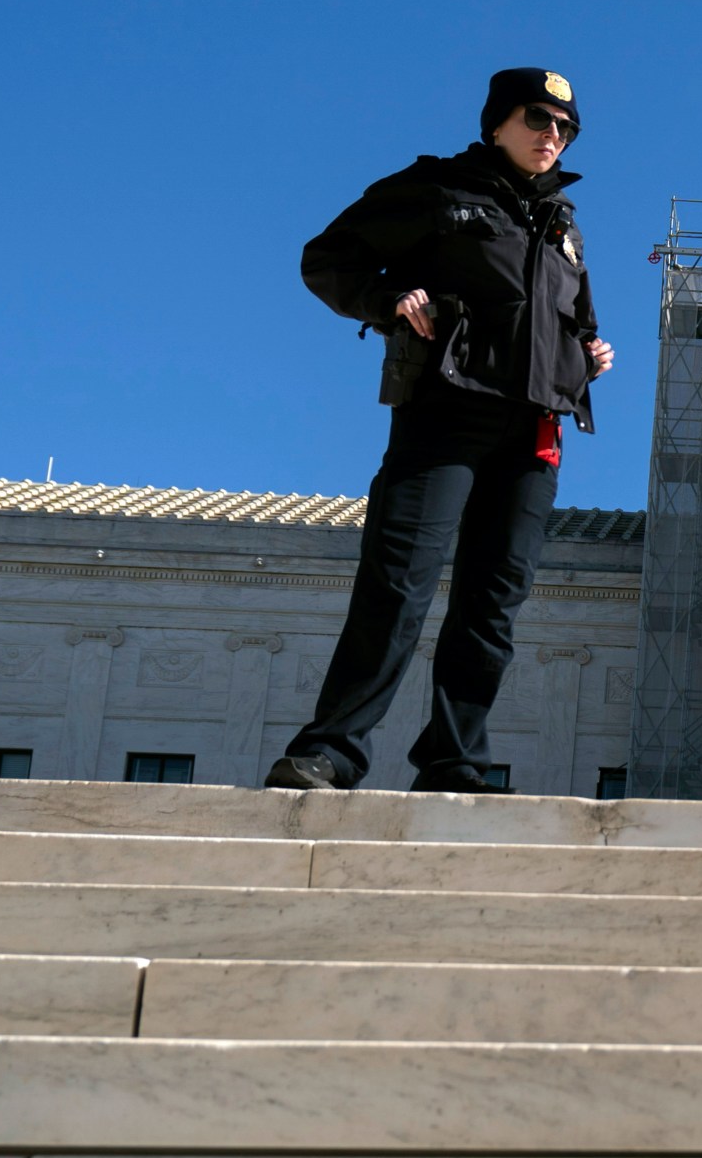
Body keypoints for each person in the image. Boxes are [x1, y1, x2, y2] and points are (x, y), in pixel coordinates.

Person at [263, 69, 614, 794]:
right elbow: (327, 258)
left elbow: (575, 321)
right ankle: (330, 751)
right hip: (445, 413)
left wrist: (589, 354)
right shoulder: (438, 189)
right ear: (497, 122)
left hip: (534, 438)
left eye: (565, 129)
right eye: (539, 120)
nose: (553, 137)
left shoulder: (563, 225)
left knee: (493, 605)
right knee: (399, 584)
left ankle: (455, 763)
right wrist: (389, 298)